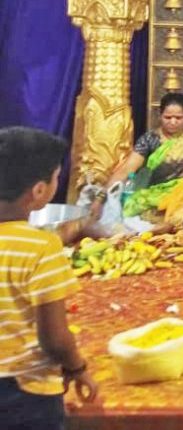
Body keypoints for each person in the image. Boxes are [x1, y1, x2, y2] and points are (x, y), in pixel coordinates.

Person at [0, 127, 98, 428]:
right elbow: (54, 338)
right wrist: (76, 367)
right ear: (40, 191)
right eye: (57, 176)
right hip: (25, 391)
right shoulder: (42, 248)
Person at [90, 92, 183, 229]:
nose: (173, 122)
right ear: (160, 116)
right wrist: (101, 197)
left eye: (178, 117)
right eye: (168, 117)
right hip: (152, 198)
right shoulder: (150, 139)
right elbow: (127, 169)